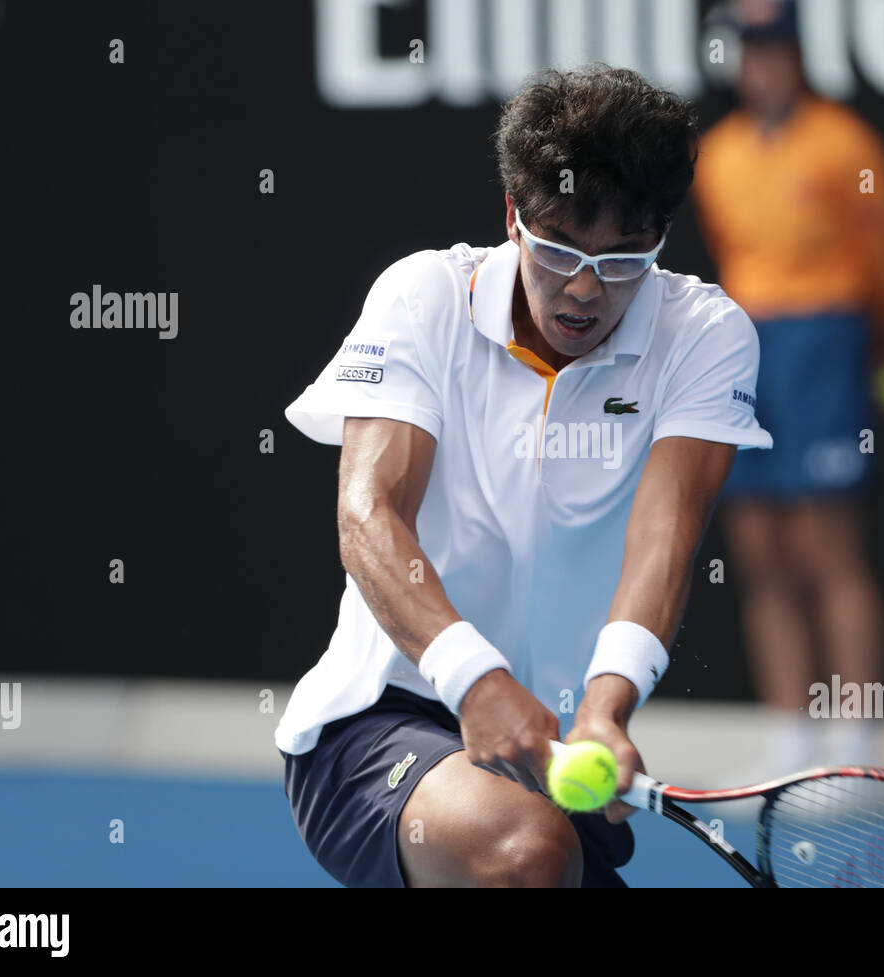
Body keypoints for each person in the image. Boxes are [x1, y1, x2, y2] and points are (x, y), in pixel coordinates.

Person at [274, 65, 772, 887]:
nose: (583, 288)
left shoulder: (706, 336)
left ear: (661, 239)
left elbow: (665, 535)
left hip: (557, 749)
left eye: (622, 259)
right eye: (557, 249)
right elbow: (369, 517)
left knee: (543, 847)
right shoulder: (422, 298)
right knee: (528, 854)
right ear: (512, 216)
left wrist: (609, 705)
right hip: (381, 718)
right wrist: (475, 681)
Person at [692, 0, 884, 773]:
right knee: (760, 548)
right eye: (749, 51)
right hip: (746, 350)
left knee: (829, 546)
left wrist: (873, 342)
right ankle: (792, 739)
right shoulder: (717, 155)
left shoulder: (844, 142)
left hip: (825, 342)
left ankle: (858, 742)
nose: (763, 64)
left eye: (776, 48)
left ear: (797, 53)